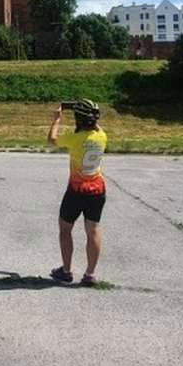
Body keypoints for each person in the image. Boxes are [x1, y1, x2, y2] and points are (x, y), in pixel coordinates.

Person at [46, 99, 107, 287]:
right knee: (93, 230)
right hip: (97, 190)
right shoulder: (101, 136)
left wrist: (57, 119)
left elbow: (52, 139)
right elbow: (95, 126)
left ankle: (66, 271)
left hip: (76, 191)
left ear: (79, 120)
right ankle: (90, 274)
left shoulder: (75, 140)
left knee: (65, 229)